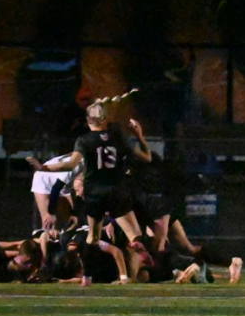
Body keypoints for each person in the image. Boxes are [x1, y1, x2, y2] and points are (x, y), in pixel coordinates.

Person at [27, 102, 152, 284]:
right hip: (118, 191)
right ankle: (133, 265)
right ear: (105, 119)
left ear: (88, 120)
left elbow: (69, 164)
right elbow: (147, 158)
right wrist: (139, 136)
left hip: (95, 194)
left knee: (92, 238)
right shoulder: (118, 138)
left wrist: (43, 167)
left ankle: (87, 277)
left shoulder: (84, 140)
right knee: (135, 235)